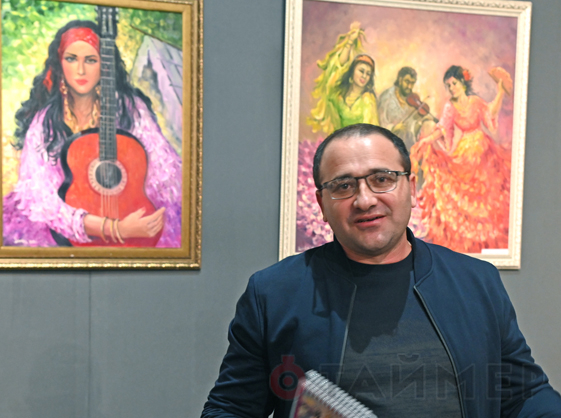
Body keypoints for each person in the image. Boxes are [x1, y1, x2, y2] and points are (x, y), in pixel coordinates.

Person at [202, 124, 561, 418]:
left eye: (382, 178)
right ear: (322, 204)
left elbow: (525, 395)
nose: (365, 199)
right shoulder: (273, 293)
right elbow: (230, 409)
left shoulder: (476, 281)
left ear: (412, 188)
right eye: (343, 186)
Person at [2, 20, 182, 247]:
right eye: (71, 59)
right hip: (60, 230)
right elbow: (42, 200)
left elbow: (165, 175)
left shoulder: (130, 109)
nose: (81, 70)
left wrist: (136, 216)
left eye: (90, 60)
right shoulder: (45, 122)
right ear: (59, 64)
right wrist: (114, 228)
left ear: (105, 66)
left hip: (131, 216)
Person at [410, 65, 510, 253]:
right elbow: (442, 128)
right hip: (464, 152)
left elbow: (490, 116)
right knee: (460, 192)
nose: (452, 88)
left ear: (463, 83)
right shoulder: (450, 106)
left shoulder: (475, 102)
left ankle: (485, 235)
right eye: (448, 86)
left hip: (484, 151)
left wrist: (500, 92)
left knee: (487, 195)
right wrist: (427, 140)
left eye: (454, 83)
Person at [307, 22, 379, 135]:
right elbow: (336, 68)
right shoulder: (338, 96)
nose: (364, 76)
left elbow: (370, 132)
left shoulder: (368, 99)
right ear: (352, 72)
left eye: (368, 74)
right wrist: (350, 42)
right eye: (361, 71)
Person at [377, 66, 433, 151]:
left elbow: (413, 124)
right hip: (389, 143)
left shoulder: (412, 99)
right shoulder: (386, 97)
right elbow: (380, 123)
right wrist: (394, 128)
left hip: (408, 144)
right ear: (400, 80)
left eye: (412, 83)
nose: (409, 87)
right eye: (407, 82)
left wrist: (422, 119)